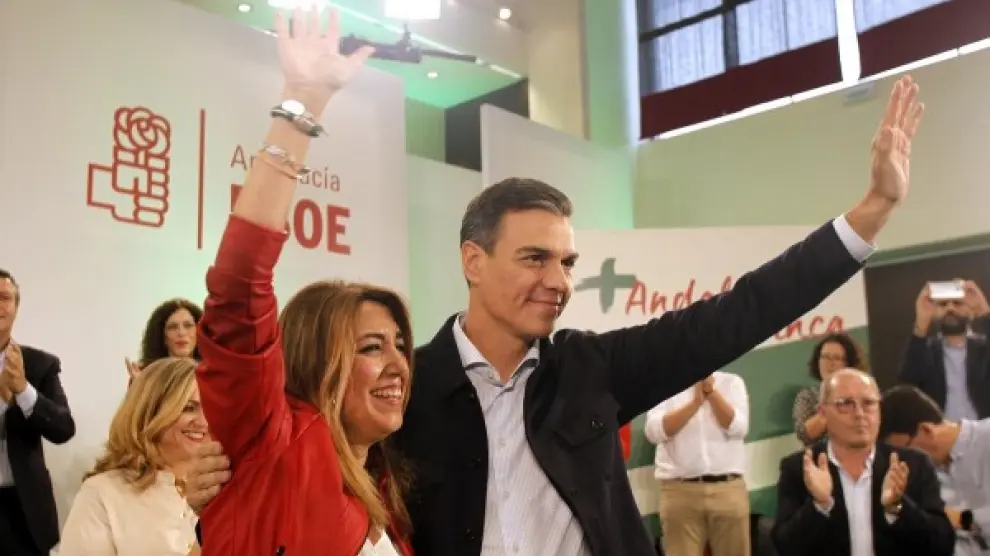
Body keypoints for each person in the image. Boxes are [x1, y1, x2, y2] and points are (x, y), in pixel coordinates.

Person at [186, 74, 927, 556]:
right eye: (535, 258)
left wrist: (871, 213)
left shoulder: (592, 368)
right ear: (474, 260)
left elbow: (740, 313)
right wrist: (194, 483)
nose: (558, 281)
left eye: (567, 262)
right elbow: (299, 461)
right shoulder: (409, 395)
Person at [191, 8, 413, 556]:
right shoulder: (276, 439)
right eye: (371, 347)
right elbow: (240, 285)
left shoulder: (383, 485)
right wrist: (303, 104)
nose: (398, 364)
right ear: (315, 358)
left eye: (398, 345)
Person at [772, 369, 954, 556]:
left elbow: (942, 546)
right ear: (823, 413)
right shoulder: (800, 469)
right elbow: (786, 547)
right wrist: (820, 505)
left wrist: (896, 507)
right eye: (845, 404)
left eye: (868, 403)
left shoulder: (912, 465)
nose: (859, 414)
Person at [58, 358, 206, 556]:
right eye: (189, 408)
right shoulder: (103, 492)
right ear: (150, 411)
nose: (204, 421)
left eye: (210, 407)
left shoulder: (226, 490)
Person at [0, 269, 76, 556]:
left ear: (16, 308)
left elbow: (64, 429)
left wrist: (23, 390)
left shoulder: (39, 364)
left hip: (24, 510)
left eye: (4, 297)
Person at [644, 372, 751, 556]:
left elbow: (739, 428)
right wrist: (695, 403)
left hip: (728, 489)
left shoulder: (733, 382)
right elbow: (654, 432)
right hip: (680, 491)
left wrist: (712, 393)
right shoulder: (664, 384)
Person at [880, 384, 990, 555]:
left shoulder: (986, 439)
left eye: (905, 450)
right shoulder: (925, 476)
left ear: (927, 430)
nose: (904, 460)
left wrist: (960, 519)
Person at [900, 280, 990, 420]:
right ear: (935, 312)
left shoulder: (984, 348)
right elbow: (908, 383)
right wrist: (921, 323)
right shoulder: (924, 351)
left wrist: (985, 312)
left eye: (957, 303)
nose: (950, 308)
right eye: (943, 304)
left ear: (971, 311)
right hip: (941, 431)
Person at [793, 333, 870, 446]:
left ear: (848, 363)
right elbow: (804, 434)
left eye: (837, 358)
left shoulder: (863, 392)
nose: (830, 363)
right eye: (825, 357)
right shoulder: (808, 395)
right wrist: (831, 405)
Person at [126, 298, 203, 383]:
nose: (181, 333)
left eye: (188, 325)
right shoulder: (143, 376)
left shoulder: (211, 375)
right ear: (162, 336)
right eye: (172, 327)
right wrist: (142, 386)